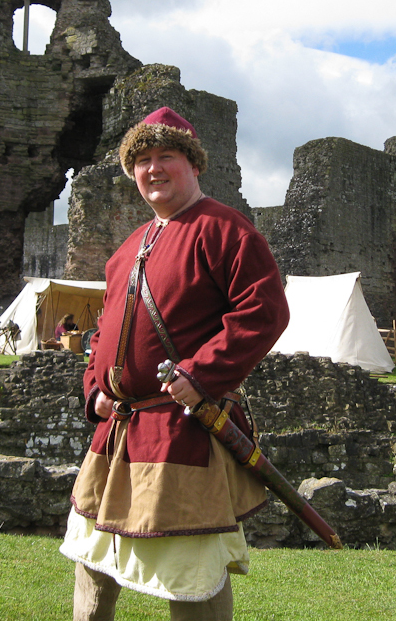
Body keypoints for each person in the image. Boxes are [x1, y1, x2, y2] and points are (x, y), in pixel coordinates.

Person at [60, 106, 290, 621]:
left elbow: (264, 311)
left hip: (178, 432)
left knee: (189, 567)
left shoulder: (226, 231)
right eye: (142, 160)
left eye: (166, 156)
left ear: (194, 165)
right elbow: (103, 334)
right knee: (91, 560)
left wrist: (201, 373)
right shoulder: (126, 250)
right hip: (116, 433)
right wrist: (94, 387)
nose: (153, 169)